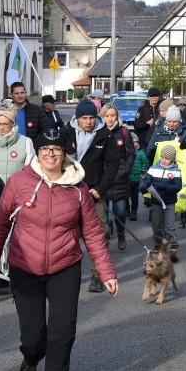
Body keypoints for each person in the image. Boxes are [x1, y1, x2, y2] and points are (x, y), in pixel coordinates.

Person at [0, 128, 118, 371]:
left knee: (63, 331)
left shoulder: (78, 188)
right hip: (25, 267)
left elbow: (93, 233)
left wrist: (106, 272)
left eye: (56, 149)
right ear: (38, 152)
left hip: (64, 267)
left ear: (65, 153)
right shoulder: (19, 182)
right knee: (33, 337)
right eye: (45, 148)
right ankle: (31, 359)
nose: (50, 154)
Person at [62, 99, 124, 292]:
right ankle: (64, 274)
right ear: (77, 118)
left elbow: (113, 163)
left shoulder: (104, 135)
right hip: (67, 189)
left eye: (91, 118)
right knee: (65, 234)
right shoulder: (66, 133)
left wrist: (101, 188)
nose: (88, 122)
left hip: (93, 190)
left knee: (99, 232)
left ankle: (97, 275)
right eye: (84, 118)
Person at [99, 104, 135, 250]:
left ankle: (121, 233)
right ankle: (106, 237)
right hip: (102, 179)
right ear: (102, 117)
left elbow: (131, 153)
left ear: (117, 116)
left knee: (119, 212)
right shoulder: (98, 132)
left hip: (120, 179)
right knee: (103, 212)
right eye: (107, 116)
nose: (110, 118)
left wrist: (125, 169)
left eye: (113, 115)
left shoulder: (124, 131)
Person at [139, 145, 183, 262]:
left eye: (167, 158)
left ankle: (173, 246)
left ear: (172, 159)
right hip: (156, 201)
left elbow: (178, 186)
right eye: (162, 157)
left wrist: (166, 187)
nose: (164, 160)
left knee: (170, 225)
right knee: (156, 224)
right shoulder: (154, 168)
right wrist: (143, 186)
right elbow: (147, 180)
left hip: (169, 201)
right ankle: (158, 242)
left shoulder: (175, 171)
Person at [128, 132, 150, 221]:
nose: (133, 144)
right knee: (125, 196)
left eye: (134, 142)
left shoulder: (141, 153)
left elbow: (145, 164)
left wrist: (143, 174)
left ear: (138, 142)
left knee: (134, 197)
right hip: (127, 178)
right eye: (131, 143)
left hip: (136, 179)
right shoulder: (126, 152)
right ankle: (126, 209)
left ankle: (134, 211)